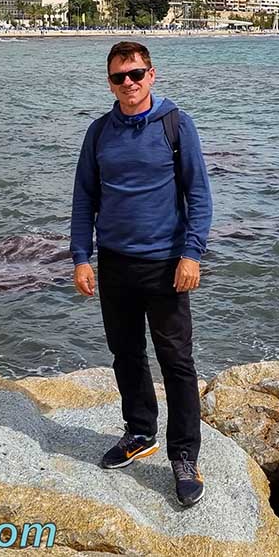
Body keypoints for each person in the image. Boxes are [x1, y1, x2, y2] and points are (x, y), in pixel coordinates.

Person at [70, 41, 213, 508]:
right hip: (115, 263)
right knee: (126, 354)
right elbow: (84, 200)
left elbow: (199, 196)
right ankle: (139, 432)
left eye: (136, 74)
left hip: (167, 265)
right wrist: (80, 257)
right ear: (109, 82)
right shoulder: (98, 133)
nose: (128, 83)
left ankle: (185, 455)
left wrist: (192, 255)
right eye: (119, 77)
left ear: (153, 75)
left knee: (176, 361)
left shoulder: (176, 125)